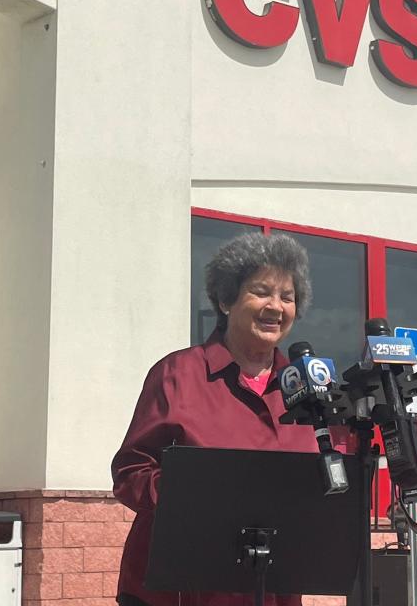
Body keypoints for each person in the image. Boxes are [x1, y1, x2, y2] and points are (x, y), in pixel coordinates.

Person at [111, 232, 318, 606]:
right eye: (262, 291)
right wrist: (194, 500)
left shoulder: (305, 390)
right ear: (226, 299)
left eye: (288, 297)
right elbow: (130, 471)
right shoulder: (178, 373)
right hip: (178, 593)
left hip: (271, 592)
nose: (277, 306)